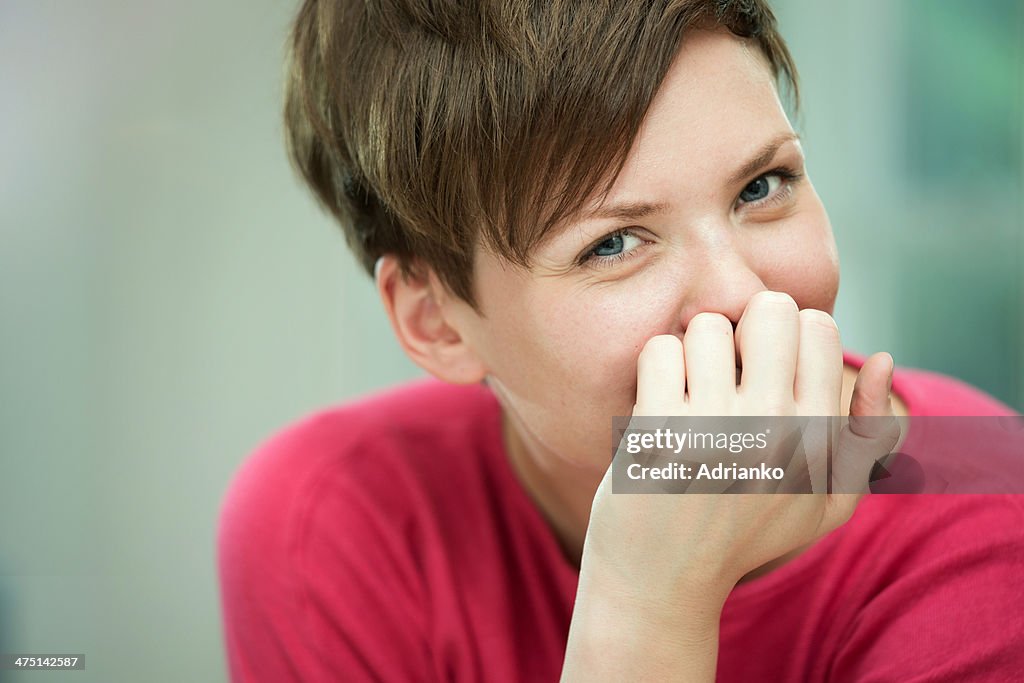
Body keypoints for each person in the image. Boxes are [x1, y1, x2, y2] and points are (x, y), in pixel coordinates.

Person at [217, 1, 1024, 680]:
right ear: (435, 320)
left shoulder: (992, 526)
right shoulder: (334, 524)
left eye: (761, 186)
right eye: (612, 243)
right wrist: (646, 605)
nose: (743, 292)